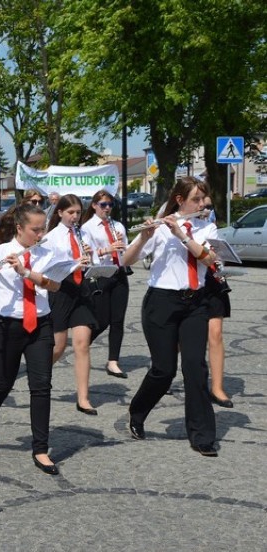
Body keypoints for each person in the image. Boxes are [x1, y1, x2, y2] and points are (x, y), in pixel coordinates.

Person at [120, 176, 219, 456]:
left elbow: (209, 259)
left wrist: (183, 235)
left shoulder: (207, 226)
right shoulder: (162, 227)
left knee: (195, 367)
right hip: (161, 302)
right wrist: (144, 236)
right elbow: (126, 261)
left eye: (203, 199)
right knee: (164, 370)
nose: (202, 204)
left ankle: (202, 436)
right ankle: (138, 411)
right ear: (180, 200)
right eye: (196, 200)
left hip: (195, 303)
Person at [0, 203, 63, 475]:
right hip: (5, 325)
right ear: (19, 228)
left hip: (40, 323)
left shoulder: (47, 251)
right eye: (35, 229)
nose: (40, 233)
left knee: (42, 385)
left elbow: (55, 285)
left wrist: (26, 272)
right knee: (2, 383)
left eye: (43, 228)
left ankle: (41, 449)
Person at [44, 195, 97, 414]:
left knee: (82, 343)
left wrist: (90, 258)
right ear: (60, 213)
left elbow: (89, 262)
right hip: (61, 289)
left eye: (78, 212)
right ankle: (40, 374)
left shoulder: (83, 233)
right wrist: (74, 264)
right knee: (58, 346)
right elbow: (49, 267)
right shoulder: (52, 236)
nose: (75, 217)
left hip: (80, 289)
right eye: (70, 213)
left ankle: (83, 398)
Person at [81, 190, 130, 379]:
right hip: (100, 274)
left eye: (110, 205)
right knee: (101, 320)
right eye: (103, 205)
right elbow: (86, 254)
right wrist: (105, 250)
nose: (107, 208)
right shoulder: (87, 227)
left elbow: (126, 250)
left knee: (118, 320)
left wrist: (122, 247)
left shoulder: (117, 225)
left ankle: (113, 361)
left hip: (118, 273)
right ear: (94, 206)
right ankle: (82, 344)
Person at [201, 196, 233, 408]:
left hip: (212, 284)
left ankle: (217, 387)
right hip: (188, 285)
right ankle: (166, 369)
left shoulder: (210, 228)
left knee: (216, 333)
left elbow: (217, 254)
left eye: (209, 206)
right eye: (201, 205)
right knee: (182, 339)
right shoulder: (178, 224)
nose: (205, 210)